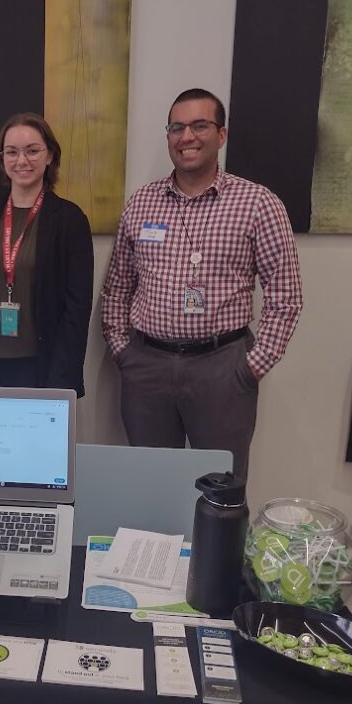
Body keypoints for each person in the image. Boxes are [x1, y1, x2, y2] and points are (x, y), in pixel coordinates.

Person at [101, 88, 302, 480]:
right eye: (177, 127)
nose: (186, 136)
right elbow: (118, 286)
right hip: (147, 367)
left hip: (222, 368)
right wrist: (124, 351)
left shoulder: (257, 204)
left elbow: (286, 296)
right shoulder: (142, 203)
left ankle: (214, 546)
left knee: (220, 492)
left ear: (221, 134)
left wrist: (251, 368)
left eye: (199, 125)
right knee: (149, 485)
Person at [0, 112, 94, 396]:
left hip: (42, 369)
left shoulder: (69, 220)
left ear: (50, 155)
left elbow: (77, 309)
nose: (22, 160)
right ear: (2, 158)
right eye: (12, 152)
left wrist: (61, 381)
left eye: (32, 151)